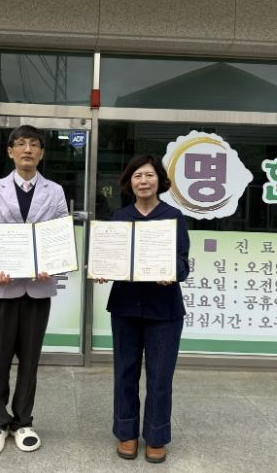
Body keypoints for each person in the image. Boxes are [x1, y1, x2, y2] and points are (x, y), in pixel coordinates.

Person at [0, 124, 68, 455]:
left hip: (38, 289)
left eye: (34, 144)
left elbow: (60, 236)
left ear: (41, 153)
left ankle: (23, 421)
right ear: (10, 151)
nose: (27, 149)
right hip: (2, 289)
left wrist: (53, 264)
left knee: (30, 360)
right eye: (21, 143)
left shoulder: (55, 191)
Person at [95, 154, 190, 464]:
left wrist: (172, 272)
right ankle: (126, 432)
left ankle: (156, 436)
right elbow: (110, 257)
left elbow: (183, 263)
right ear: (129, 182)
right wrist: (101, 268)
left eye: (149, 175)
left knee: (160, 377)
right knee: (125, 372)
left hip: (164, 310)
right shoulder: (120, 217)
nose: (143, 181)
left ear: (159, 180)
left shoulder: (173, 216)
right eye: (137, 176)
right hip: (125, 306)